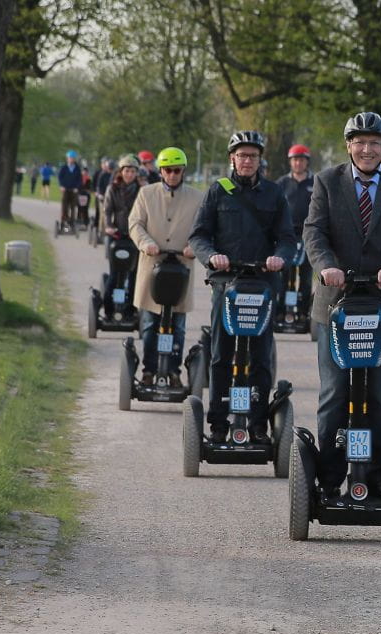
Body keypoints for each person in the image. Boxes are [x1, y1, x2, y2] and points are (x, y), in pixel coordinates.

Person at [302, 111, 381, 503]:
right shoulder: (327, 181)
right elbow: (314, 231)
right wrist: (326, 266)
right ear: (348, 145)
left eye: (375, 143)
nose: (367, 149)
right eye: (360, 142)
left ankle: (377, 476)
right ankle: (330, 476)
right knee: (335, 394)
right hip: (336, 303)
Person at [189, 130, 296, 444]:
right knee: (222, 354)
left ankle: (259, 425)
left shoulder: (274, 194)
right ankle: (219, 424)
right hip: (226, 284)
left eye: (253, 156)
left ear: (260, 160)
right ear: (232, 158)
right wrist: (212, 257)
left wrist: (279, 258)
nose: (247, 161)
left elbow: (288, 239)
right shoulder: (218, 191)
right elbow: (198, 236)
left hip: (262, 284)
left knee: (261, 357)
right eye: (242, 155)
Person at [128, 147, 203, 387]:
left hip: (182, 267)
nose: (172, 175)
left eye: (177, 170)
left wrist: (194, 246)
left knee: (178, 327)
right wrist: (146, 243)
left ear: (183, 171)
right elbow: (135, 224)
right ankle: (149, 370)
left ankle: (173, 373)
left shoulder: (196, 197)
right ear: (161, 171)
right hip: (152, 267)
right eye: (168, 170)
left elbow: (204, 229)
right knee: (150, 324)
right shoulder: (145, 194)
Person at [275, 144, 315, 320]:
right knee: (284, 275)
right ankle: (281, 310)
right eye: (295, 160)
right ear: (290, 162)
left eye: (301, 160)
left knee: (305, 277)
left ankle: (304, 312)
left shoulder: (314, 183)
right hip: (287, 237)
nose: (298, 163)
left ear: (307, 162)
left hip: (308, 236)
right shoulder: (282, 183)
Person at [103, 154, 143, 315]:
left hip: (135, 236)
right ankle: (109, 308)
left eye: (133, 171)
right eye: (127, 171)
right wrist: (108, 226)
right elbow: (107, 211)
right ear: (121, 171)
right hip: (116, 235)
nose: (130, 174)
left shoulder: (141, 190)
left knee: (133, 275)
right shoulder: (112, 188)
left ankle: (129, 309)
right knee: (115, 273)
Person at [58, 151, 82, 230]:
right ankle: (64, 221)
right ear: (67, 159)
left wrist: (77, 188)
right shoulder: (64, 168)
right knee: (64, 206)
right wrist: (61, 186)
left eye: (72, 158)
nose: (71, 160)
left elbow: (79, 179)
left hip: (74, 190)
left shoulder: (77, 168)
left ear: (74, 159)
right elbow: (60, 177)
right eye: (69, 158)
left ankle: (72, 222)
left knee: (73, 206)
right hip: (65, 189)